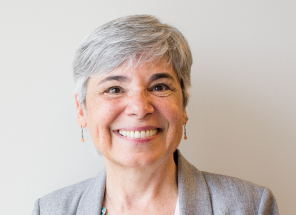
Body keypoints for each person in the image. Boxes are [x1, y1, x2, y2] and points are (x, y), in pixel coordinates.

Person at [32, 15, 279, 215]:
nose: (140, 108)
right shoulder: (51, 210)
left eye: (159, 87)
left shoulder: (250, 206)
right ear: (81, 110)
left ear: (183, 107)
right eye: (114, 89)